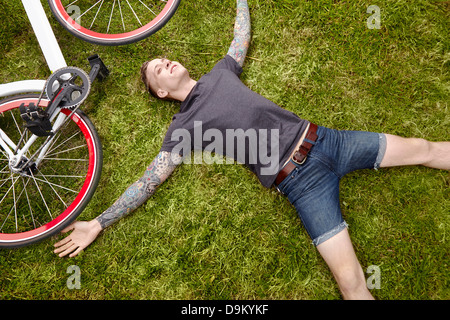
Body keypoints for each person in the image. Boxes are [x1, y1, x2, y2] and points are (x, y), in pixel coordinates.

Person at [54, 0, 450, 300]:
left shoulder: (220, 72)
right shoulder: (182, 128)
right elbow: (148, 181)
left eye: (165, 57)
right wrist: (98, 222)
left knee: (424, 147)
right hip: (301, 185)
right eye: (159, 68)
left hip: (330, 140)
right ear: (161, 92)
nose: (167, 61)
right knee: (352, 284)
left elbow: (240, 36)